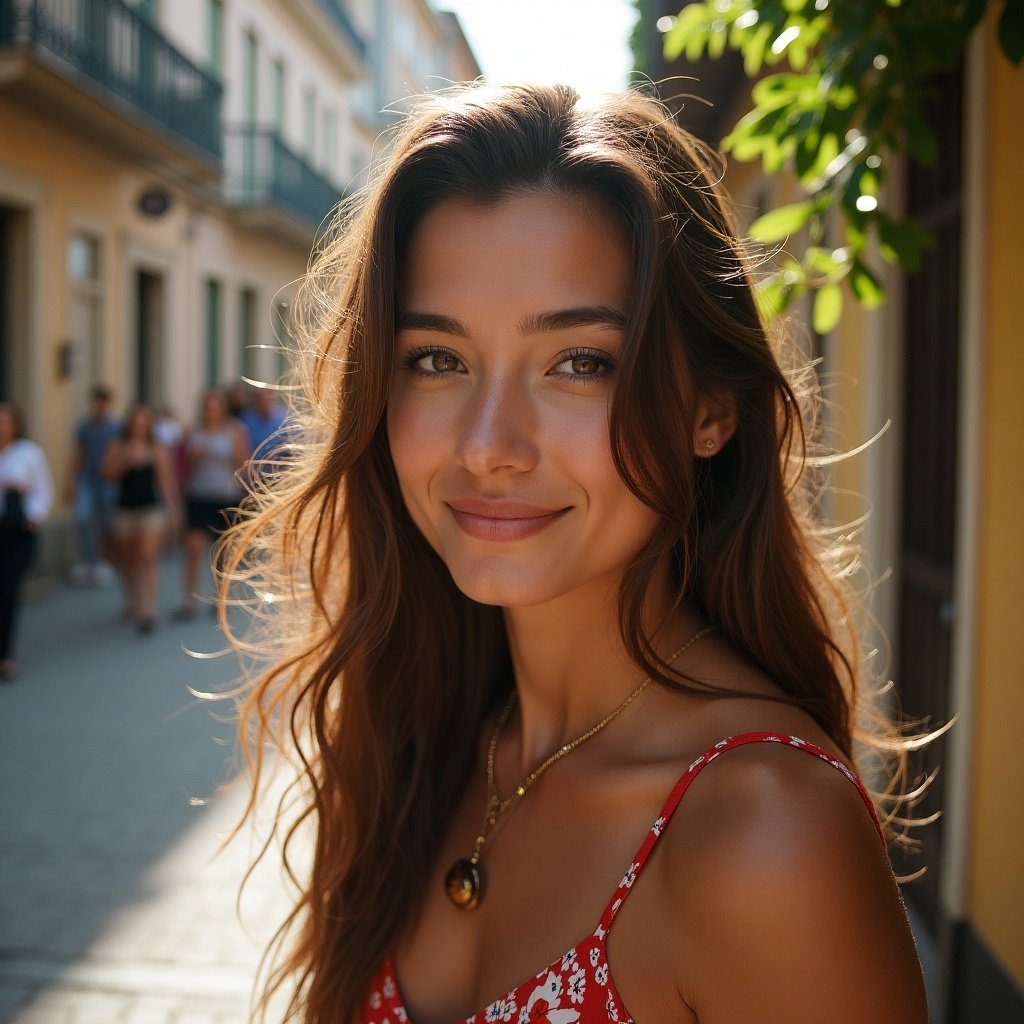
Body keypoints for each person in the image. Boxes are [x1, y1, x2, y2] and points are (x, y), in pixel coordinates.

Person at [223, 84, 928, 1024]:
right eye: (437, 359)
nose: (487, 445)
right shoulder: (427, 744)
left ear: (710, 412)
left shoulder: (763, 830)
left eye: (581, 363)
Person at [102, 404, 180, 633]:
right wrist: (126, 460)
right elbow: (106, 475)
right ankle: (131, 598)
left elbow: (165, 482)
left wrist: (174, 511)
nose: (139, 426)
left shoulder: (157, 448)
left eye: (144, 421)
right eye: (135, 421)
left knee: (147, 557)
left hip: (150, 510)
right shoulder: (117, 446)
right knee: (127, 560)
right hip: (124, 509)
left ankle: (147, 609)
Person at [176, 389, 250, 619]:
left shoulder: (234, 430)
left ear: (222, 408)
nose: (211, 410)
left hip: (225, 496)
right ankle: (188, 601)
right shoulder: (193, 432)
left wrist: (228, 456)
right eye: (207, 405)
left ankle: (220, 597)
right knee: (193, 547)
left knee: (222, 552)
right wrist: (194, 458)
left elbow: (243, 462)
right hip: (198, 495)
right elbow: (181, 465)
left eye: (215, 405)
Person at [0, 402, 53, 680]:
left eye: (5, 421)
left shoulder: (28, 454)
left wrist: (32, 517)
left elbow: (44, 491)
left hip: (17, 532)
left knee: (8, 590)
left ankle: (6, 655)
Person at [67, 385, 120, 585]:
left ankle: (105, 562)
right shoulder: (85, 427)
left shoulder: (116, 427)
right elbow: (79, 455)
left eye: (103, 402)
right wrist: (72, 482)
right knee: (82, 519)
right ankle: (90, 561)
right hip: (87, 480)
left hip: (109, 483)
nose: (99, 406)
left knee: (107, 523)